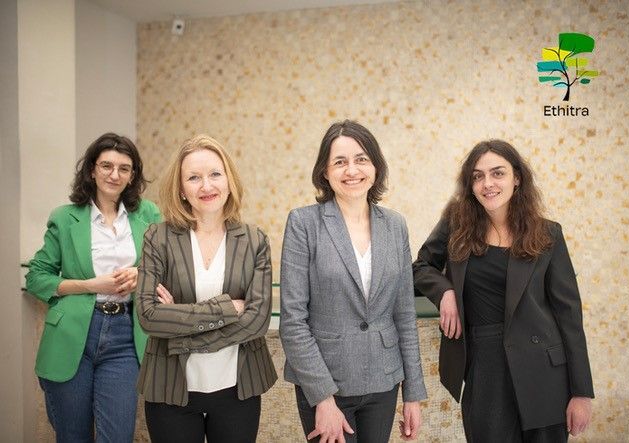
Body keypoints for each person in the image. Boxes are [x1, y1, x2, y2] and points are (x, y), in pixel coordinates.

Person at [413, 139, 594, 442]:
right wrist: (445, 292)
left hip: (544, 372)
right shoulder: (456, 225)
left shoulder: (548, 233)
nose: (488, 183)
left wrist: (581, 392)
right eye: (478, 176)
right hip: (485, 368)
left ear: (517, 178)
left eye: (498, 173)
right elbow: (421, 266)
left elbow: (569, 315)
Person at [280, 120, 427, 443]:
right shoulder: (304, 223)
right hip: (326, 384)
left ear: (375, 167)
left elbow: (404, 314)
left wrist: (413, 393)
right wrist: (323, 398)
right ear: (325, 171)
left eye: (361, 159)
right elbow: (293, 321)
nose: (352, 170)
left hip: (383, 382)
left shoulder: (395, 226)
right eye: (340, 162)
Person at [135, 134, 276, 443]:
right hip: (171, 388)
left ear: (229, 180)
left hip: (238, 389)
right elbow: (148, 315)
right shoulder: (158, 238)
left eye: (215, 174)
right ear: (181, 189)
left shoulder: (254, 240)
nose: (206, 186)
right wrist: (228, 308)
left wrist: (180, 329)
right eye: (194, 178)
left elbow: (257, 321)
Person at [26, 133, 161, 442]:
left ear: (132, 176)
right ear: (91, 170)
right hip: (72, 335)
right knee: (73, 436)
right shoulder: (65, 217)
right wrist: (90, 285)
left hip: (126, 335)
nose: (115, 175)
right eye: (106, 166)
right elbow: (37, 277)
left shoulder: (149, 214)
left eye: (124, 168)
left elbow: (168, 266)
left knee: (118, 436)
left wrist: (141, 274)